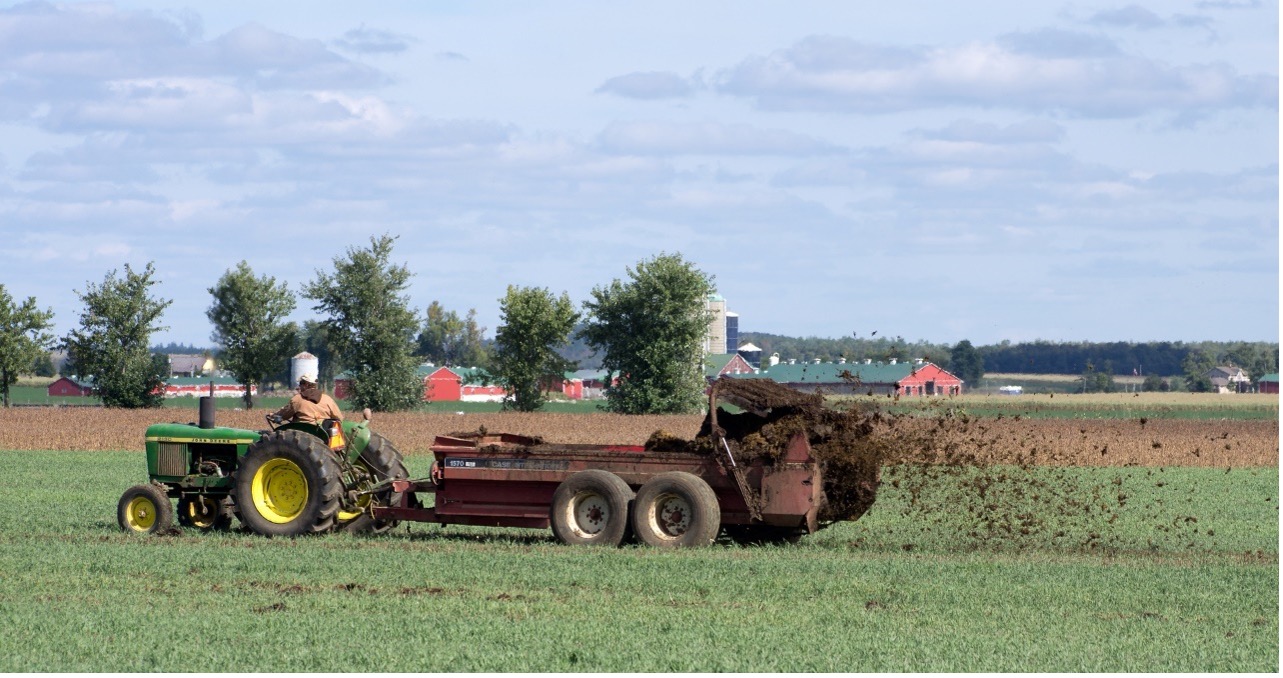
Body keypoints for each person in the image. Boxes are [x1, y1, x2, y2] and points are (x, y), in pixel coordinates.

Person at [269, 372, 342, 425]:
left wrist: (274, 415)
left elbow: (284, 415)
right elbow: (339, 418)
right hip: (323, 434)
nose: (299, 386)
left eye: (301, 383)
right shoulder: (327, 399)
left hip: (302, 433)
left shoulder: (297, 399)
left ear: (306, 384)